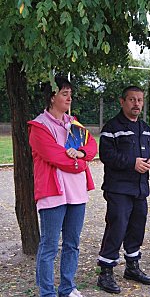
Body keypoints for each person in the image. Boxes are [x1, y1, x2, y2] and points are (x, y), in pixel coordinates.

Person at [28, 76, 97, 297]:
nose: (69, 97)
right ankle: (47, 292)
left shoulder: (73, 123)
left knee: (72, 244)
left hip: (76, 193)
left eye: (70, 93)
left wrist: (82, 154)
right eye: (64, 93)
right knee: (49, 246)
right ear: (51, 97)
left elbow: (92, 145)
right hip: (53, 194)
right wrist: (80, 162)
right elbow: (54, 156)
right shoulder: (39, 126)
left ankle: (67, 288)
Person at [97, 85, 150, 294]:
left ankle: (132, 267)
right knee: (117, 226)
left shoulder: (145, 127)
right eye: (132, 100)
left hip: (140, 189)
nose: (137, 104)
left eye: (140, 100)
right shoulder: (112, 127)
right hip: (118, 189)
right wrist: (131, 163)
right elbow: (107, 155)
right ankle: (105, 272)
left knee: (137, 227)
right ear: (122, 101)